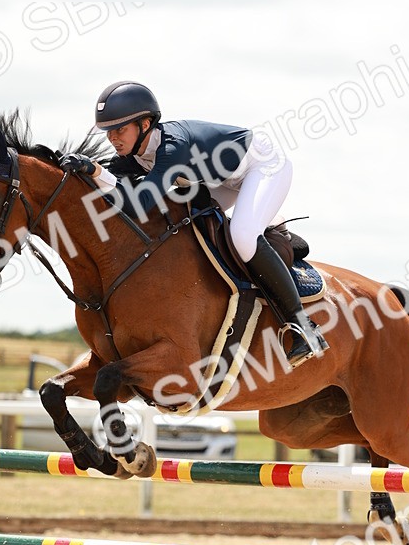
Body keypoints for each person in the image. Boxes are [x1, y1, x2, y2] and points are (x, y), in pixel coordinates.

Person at [61, 81, 328, 367]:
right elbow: (112, 191)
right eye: (108, 132)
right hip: (223, 179)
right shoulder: (135, 155)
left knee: (242, 235)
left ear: (145, 124)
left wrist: (97, 170)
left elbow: (137, 204)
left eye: (120, 130)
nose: (113, 138)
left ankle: (304, 327)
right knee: (180, 222)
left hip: (263, 165)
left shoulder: (172, 146)